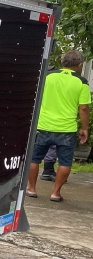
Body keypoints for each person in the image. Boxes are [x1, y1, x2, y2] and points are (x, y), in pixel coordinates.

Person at [26, 50, 91, 202]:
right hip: (66, 130)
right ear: (80, 65)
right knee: (65, 162)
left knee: (34, 159)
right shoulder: (82, 82)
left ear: (62, 62)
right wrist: (85, 128)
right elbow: (83, 108)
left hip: (43, 125)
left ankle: (31, 188)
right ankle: (55, 193)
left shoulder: (48, 76)